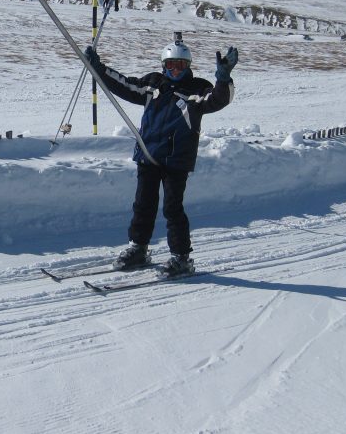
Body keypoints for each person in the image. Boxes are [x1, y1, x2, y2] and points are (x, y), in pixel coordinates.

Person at [84, 34, 238, 277]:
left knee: (172, 208)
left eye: (181, 65)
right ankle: (138, 248)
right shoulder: (153, 84)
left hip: (176, 160)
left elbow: (219, 99)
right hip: (148, 155)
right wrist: (98, 68)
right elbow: (124, 85)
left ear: (188, 66)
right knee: (143, 204)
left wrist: (223, 78)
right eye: (170, 65)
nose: (175, 70)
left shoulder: (197, 89)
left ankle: (181, 258)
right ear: (163, 65)